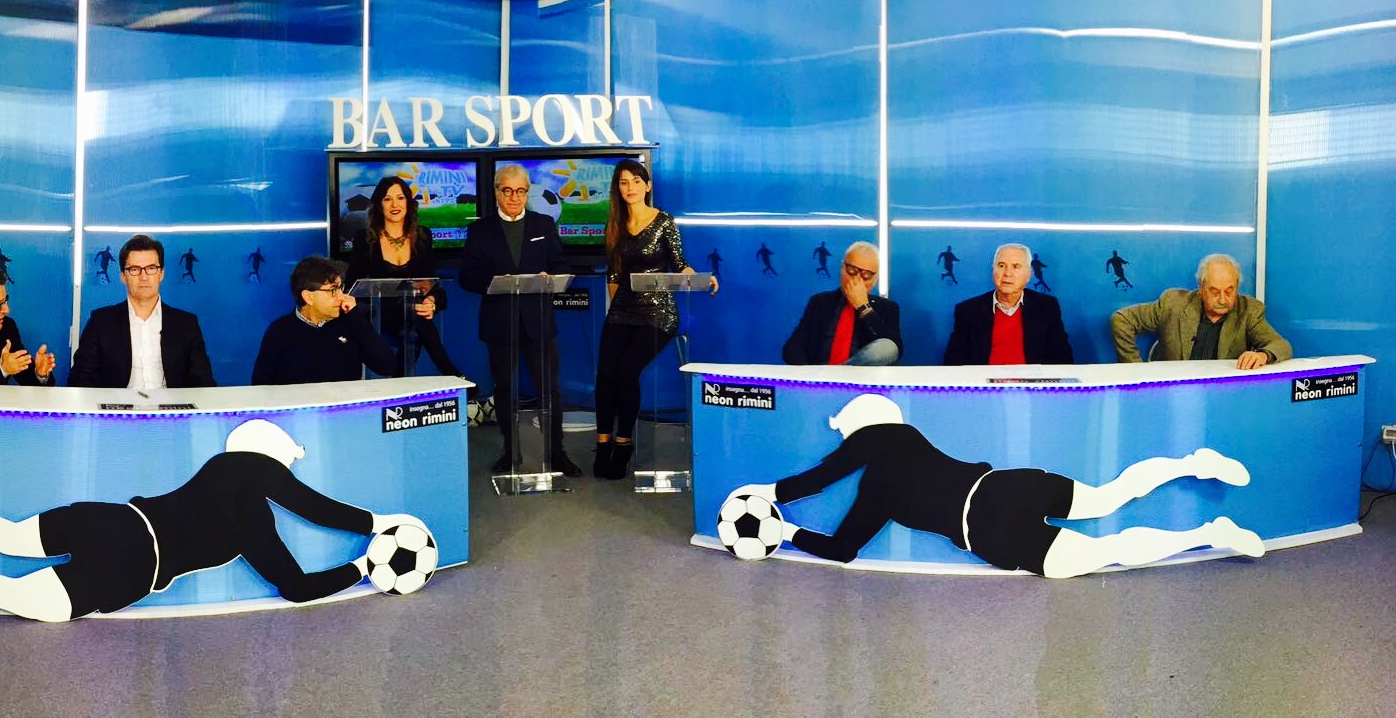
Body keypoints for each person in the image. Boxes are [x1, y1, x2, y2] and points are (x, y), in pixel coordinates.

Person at [0, 420, 433, 621]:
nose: (286, 473)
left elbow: (294, 577)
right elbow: (303, 544)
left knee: (2, 539)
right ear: (270, 457)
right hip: (133, 566)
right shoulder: (248, 485)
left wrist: (364, 555)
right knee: (5, 587)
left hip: (117, 524)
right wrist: (367, 550)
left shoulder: (232, 480)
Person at [724, 394, 1265, 578]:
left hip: (989, 527)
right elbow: (842, 535)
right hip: (1002, 492)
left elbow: (833, 502)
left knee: (1109, 545)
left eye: (849, 434)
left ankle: (1207, 524)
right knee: (1109, 502)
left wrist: (778, 508)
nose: (848, 445)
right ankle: (1197, 478)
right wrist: (782, 517)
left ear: (862, 429)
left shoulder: (883, 459)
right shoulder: (898, 448)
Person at [593, 160, 718, 479]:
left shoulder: (664, 221)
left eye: (636, 181)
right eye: (624, 182)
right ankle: (603, 442)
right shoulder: (614, 224)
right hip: (623, 309)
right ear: (618, 188)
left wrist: (698, 277)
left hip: (658, 313)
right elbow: (614, 274)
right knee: (605, 374)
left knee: (626, 372)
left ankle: (623, 443)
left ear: (647, 186)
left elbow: (679, 262)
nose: (630, 187)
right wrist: (614, 311)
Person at [459, 164, 582, 476]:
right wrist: (497, 282)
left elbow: (561, 266)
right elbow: (466, 277)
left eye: (521, 191)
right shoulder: (480, 230)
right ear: (497, 192)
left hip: (537, 321)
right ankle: (510, 452)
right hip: (499, 323)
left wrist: (549, 277)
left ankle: (556, 453)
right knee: (504, 388)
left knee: (549, 389)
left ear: (528, 193)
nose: (514, 197)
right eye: (507, 190)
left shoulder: (543, 224)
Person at [345, 176, 467, 384]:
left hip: (411, 312)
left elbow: (432, 284)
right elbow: (352, 287)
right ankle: (453, 375)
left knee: (415, 325)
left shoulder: (422, 236)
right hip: (378, 314)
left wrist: (431, 301)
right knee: (415, 320)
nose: (395, 204)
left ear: (409, 202)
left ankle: (398, 385)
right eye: (387, 199)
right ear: (379, 205)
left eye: (400, 198)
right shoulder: (364, 239)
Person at [70, 235, 217, 389]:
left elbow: (204, 383)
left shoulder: (186, 323)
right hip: (118, 404)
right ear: (123, 276)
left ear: (161, 273)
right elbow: (79, 379)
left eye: (151, 268)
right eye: (134, 269)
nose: (144, 277)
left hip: (171, 404)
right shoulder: (100, 322)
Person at [1110, 253, 1291, 369]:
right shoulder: (1173, 304)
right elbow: (1121, 320)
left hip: (1222, 393)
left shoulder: (1248, 311)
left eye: (1229, 291)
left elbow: (1281, 345)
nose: (1223, 299)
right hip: (1172, 391)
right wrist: (1135, 370)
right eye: (1215, 292)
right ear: (1201, 288)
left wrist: (1262, 355)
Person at [252, 257, 398, 385]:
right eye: (333, 290)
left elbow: (387, 367)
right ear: (308, 297)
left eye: (341, 288)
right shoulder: (279, 331)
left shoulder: (351, 323)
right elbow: (261, 386)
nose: (342, 296)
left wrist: (357, 319)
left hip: (345, 406)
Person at [943, 243, 1073, 366]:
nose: (1007, 273)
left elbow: (1063, 359)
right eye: (1001, 265)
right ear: (993, 271)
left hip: (1031, 381)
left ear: (1029, 274)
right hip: (986, 382)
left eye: (1016, 266)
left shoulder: (1047, 306)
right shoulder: (968, 310)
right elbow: (953, 362)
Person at [782, 241, 901, 366]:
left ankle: (840, 373)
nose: (857, 280)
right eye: (852, 270)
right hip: (819, 373)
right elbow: (793, 347)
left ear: (875, 280)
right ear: (842, 268)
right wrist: (809, 373)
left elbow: (894, 350)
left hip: (862, 375)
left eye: (866, 275)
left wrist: (864, 308)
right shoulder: (819, 302)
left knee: (887, 347)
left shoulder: (888, 308)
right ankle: (834, 376)